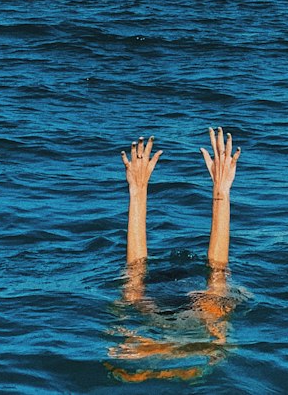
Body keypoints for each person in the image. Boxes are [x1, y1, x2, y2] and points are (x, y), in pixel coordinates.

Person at [105, 128, 241, 383]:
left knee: (135, 283)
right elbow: (218, 270)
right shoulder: (207, 314)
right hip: (175, 307)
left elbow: (135, 269)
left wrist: (137, 191)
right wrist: (222, 192)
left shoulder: (144, 306)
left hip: (166, 304)